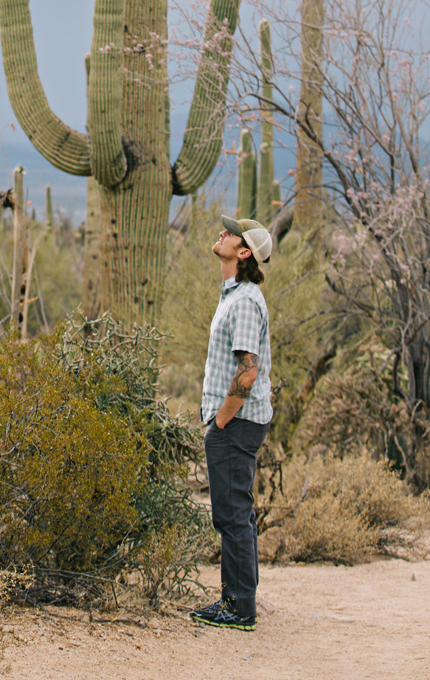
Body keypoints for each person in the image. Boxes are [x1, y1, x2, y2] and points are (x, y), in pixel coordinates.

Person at [190, 215, 273, 632]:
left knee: (233, 513)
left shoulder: (243, 301)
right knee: (234, 511)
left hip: (236, 423)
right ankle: (236, 600)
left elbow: (248, 372)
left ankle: (240, 608)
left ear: (244, 253)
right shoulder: (236, 294)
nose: (221, 234)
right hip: (235, 422)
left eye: (230, 234)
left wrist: (219, 422)